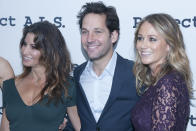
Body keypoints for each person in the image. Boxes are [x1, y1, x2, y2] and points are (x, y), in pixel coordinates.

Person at [66, 2, 139, 131]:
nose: (89, 39)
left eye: (97, 31)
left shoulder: (136, 73)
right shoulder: (75, 76)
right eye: (85, 32)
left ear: (113, 36)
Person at [0, 21, 81, 131]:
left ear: (50, 50)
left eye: (33, 47)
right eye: (24, 44)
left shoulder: (66, 87)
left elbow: (79, 127)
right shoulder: (10, 85)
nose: (25, 51)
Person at [131, 13, 193, 131]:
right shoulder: (162, 79)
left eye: (152, 39)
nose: (143, 45)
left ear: (169, 45)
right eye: (140, 38)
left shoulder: (168, 83)